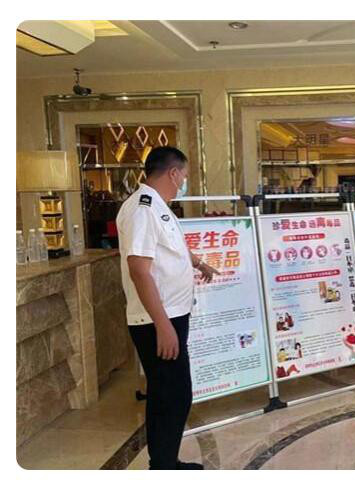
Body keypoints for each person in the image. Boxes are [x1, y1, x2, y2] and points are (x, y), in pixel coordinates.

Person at [116, 146, 219, 469]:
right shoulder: (142, 209)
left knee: (168, 394)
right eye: (183, 177)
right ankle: (163, 466)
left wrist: (199, 263)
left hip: (171, 315)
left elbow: (170, 247)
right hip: (158, 320)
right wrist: (163, 325)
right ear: (173, 173)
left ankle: (164, 461)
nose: (183, 183)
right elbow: (139, 270)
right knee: (173, 395)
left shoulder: (158, 206)